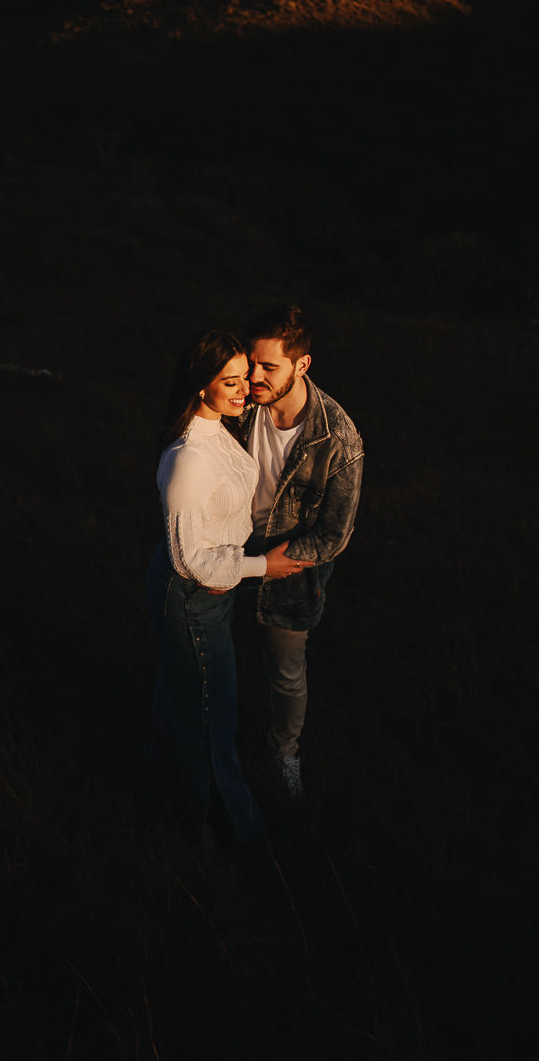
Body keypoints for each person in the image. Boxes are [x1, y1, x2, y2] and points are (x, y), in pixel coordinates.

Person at [145, 330, 311, 848]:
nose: (245, 391)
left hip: (214, 587)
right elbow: (190, 559)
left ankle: (158, 791)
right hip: (192, 595)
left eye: (246, 378)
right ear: (202, 386)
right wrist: (263, 566)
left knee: (182, 698)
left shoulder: (219, 426)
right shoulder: (188, 459)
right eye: (231, 382)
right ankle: (234, 833)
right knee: (212, 718)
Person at [232, 305, 364, 801]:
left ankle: (283, 752)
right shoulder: (240, 403)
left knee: (286, 675)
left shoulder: (338, 439)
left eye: (269, 367)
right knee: (217, 654)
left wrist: (272, 564)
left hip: (288, 573)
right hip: (225, 550)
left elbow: (334, 534)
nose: (254, 378)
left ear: (302, 365)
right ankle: (212, 734)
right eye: (251, 363)